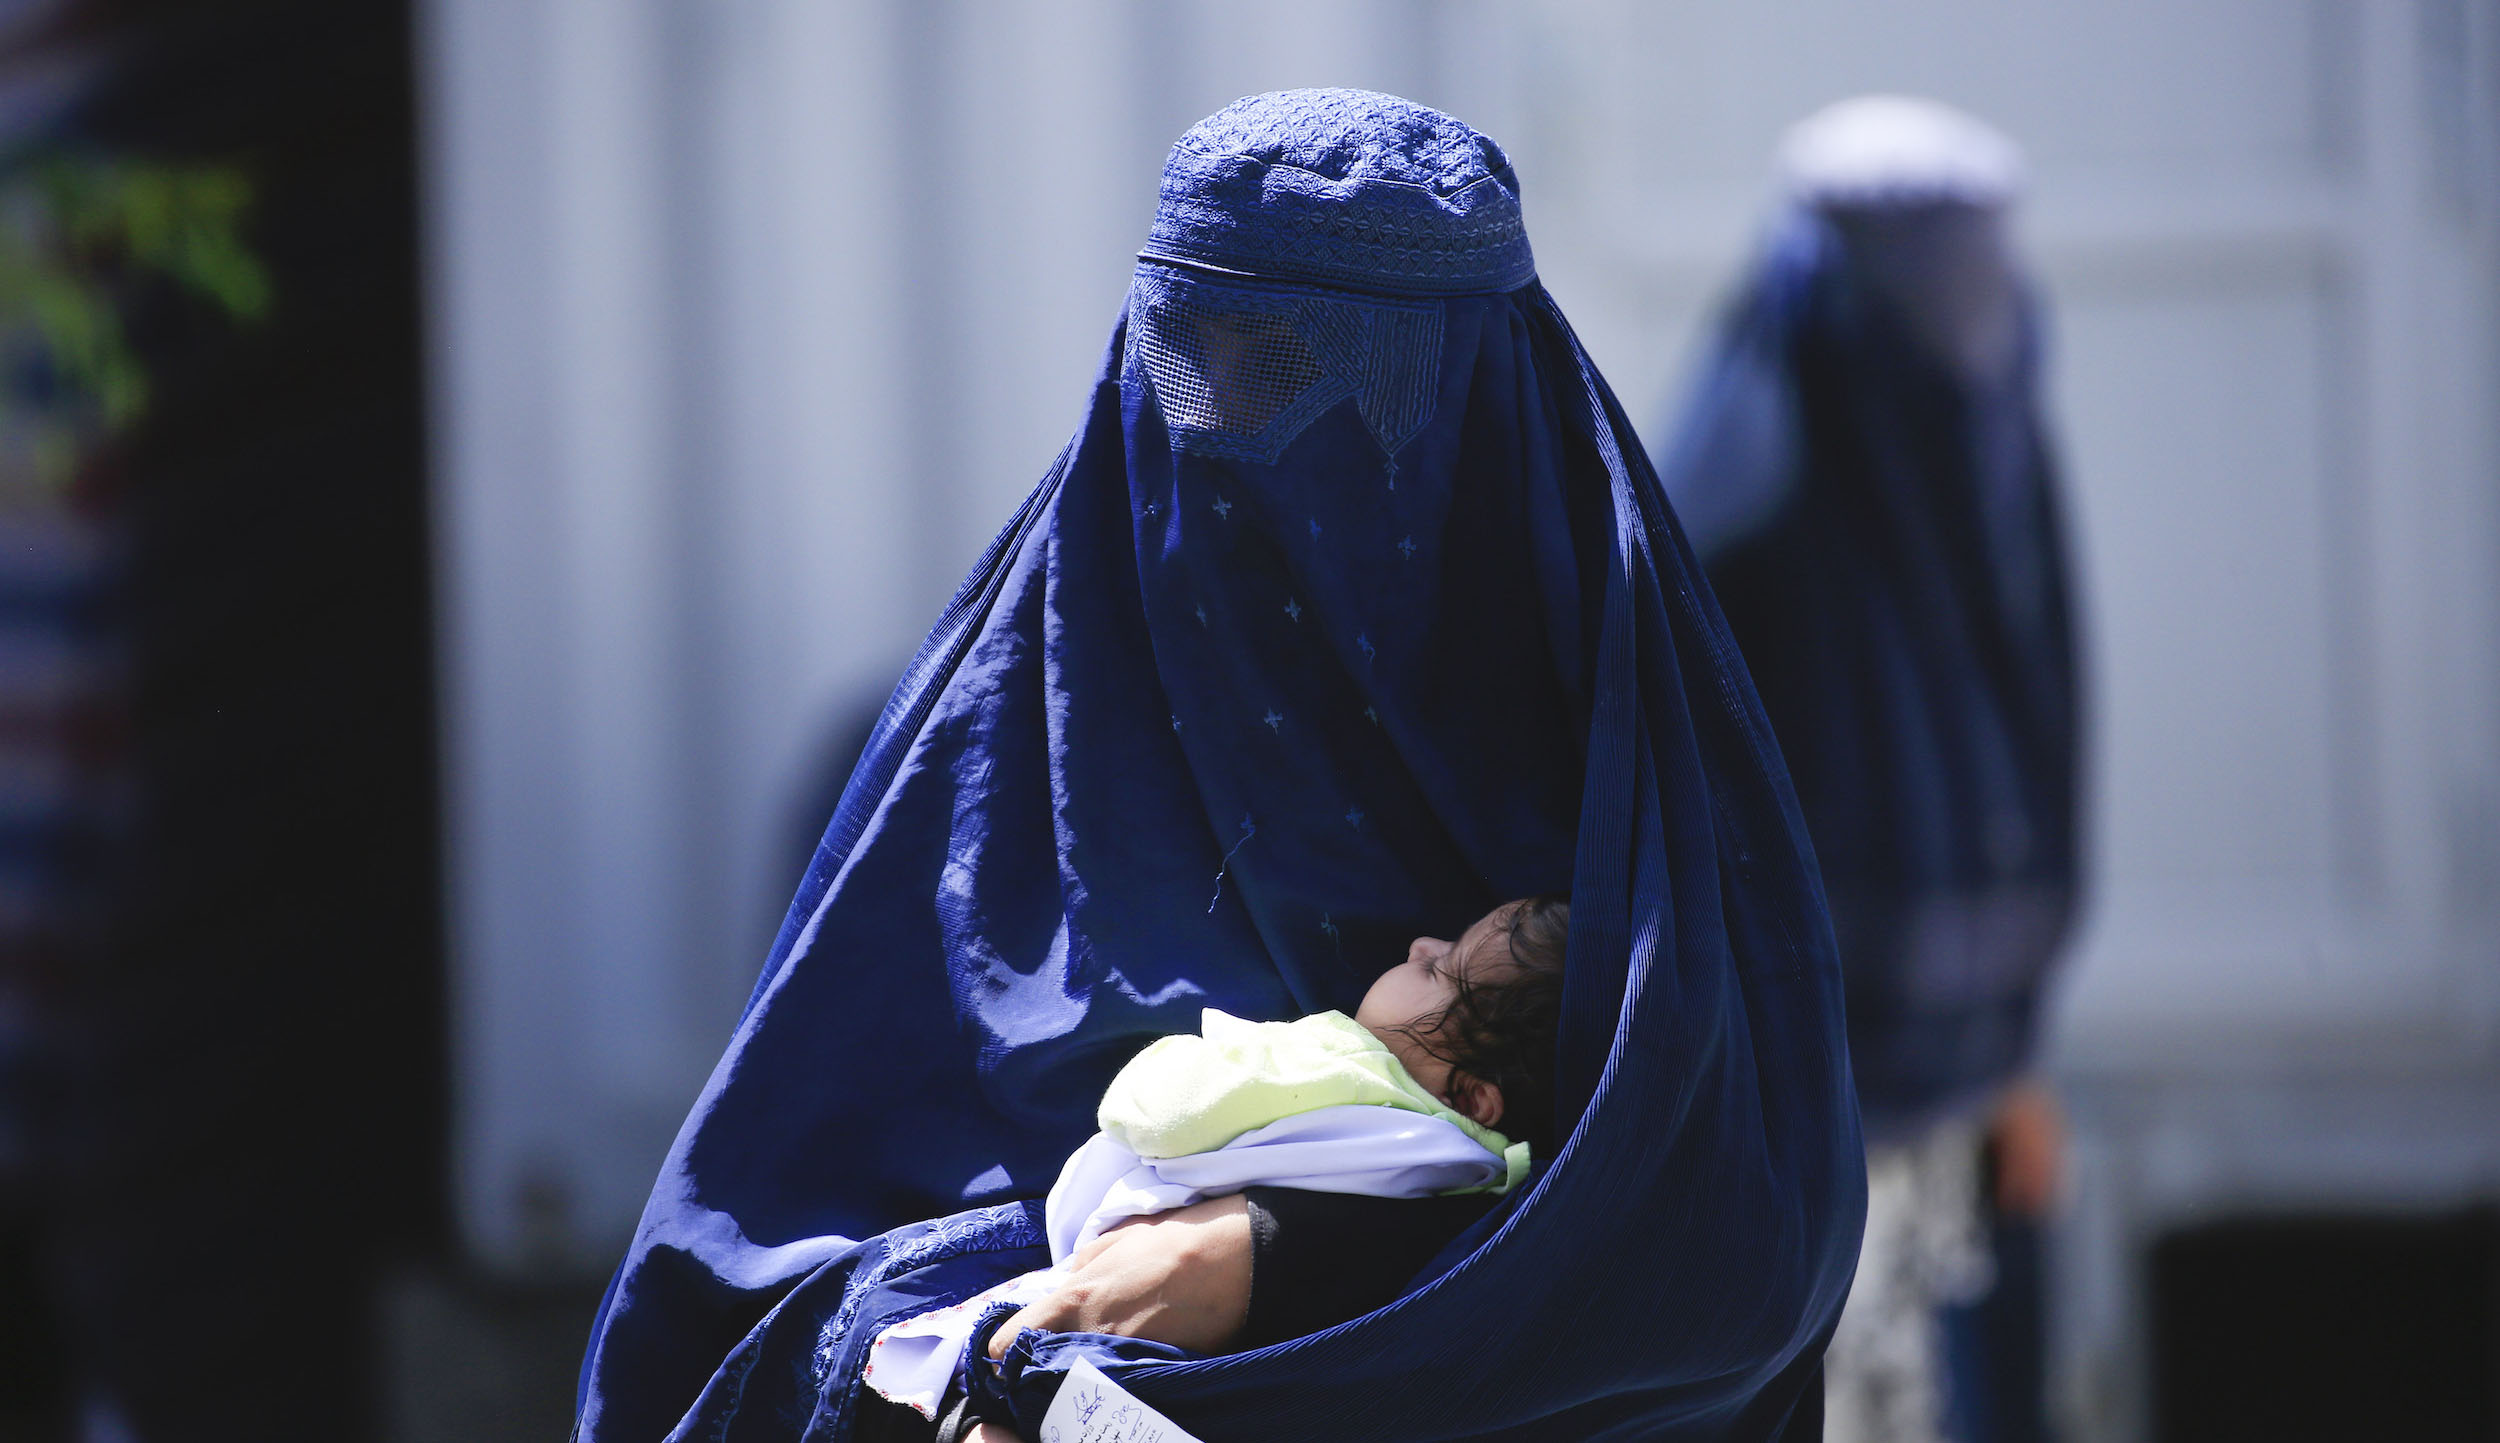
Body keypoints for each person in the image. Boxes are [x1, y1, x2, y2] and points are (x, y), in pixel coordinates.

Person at [575, 88, 1862, 1443]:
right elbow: (744, 1294)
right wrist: (1016, 1334)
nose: (1267, 453)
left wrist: (1277, 1260)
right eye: (1212, 372)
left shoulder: (1637, 800)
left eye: (1344, 393)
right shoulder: (1009, 761)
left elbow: (1739, 1256)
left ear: (1496, 414)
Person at [1653, 96, 2081, 1443]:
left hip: (1967, 1098)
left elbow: (2030, 749)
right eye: (1927, 264)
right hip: (1793, 1119)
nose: (1966, 305)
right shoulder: (1743, 508)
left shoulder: (1989, 444)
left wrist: (2019, 1053)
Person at [853, 897, 1563, 1438]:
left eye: (1441, 969)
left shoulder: (1345, 1064)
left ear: (1471, 1093)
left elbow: (1160, 1118)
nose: (1420, 943)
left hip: (1090, 1322)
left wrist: (1177, 1066)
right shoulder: (1489, 1189)